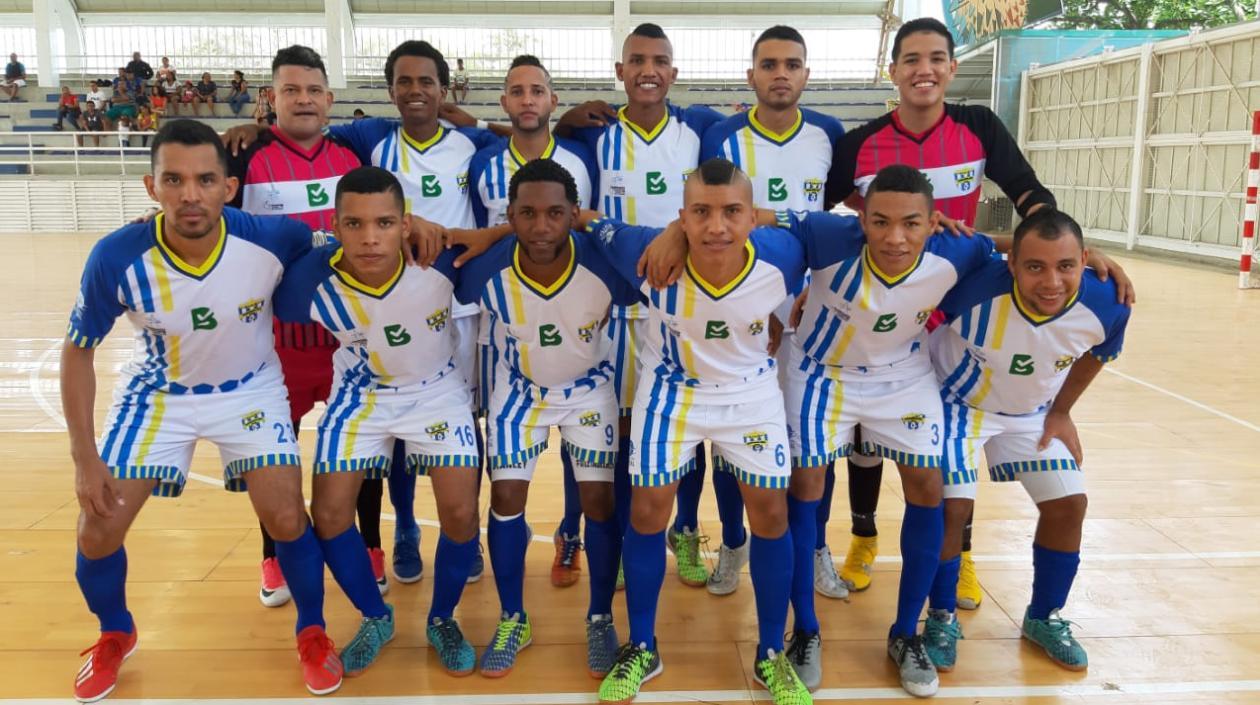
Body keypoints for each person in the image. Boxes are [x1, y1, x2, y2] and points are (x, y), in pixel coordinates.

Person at [63, 119, 343, 701]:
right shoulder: (116, 256)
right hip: (158, 394)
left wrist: (419, 226)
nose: (190, 195)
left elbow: (351, 243)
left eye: (205, 180)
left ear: (229, 188)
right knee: (98, 528)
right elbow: (78, 350)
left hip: (250, 389)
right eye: (174, 180)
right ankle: (115, 632)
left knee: (285, 516)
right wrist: (84, 457)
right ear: (151, 187)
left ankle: (313, 631)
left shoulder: (275, 237)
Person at [823, 17, 1063, 610]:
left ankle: (962, 554)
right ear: (893, 71)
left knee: (950, 446)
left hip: (957, 312)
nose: (923, 69)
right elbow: (823, 213)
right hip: (884, 310)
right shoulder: (859, 143)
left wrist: (1064, 249)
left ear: (952, 68)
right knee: (866, 435)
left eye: (935, 58)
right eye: (911, 59)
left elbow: (1031, 194)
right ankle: (863, 538)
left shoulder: (978, 127)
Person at [590, 158, 811, 705]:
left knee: (772, 514)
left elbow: (847, 234)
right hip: (671, 391)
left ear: (753, 217)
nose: (717, 227)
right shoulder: (645, 255)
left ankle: (770, 652)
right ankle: (643, 646)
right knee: (647, 511)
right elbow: (591, 222)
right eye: (700, 213)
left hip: (749, 391)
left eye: (732, 212)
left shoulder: (784, 254)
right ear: (682, 216)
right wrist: (663, 233)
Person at [222, 44, 397, 608]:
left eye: (314, 90)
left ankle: (369, 546)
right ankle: (274, 553)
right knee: (273, 453)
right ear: (270, 98)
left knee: (362, 447)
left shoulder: (352, 153)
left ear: (330, 98)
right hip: (276, 339)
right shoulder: (244, 157)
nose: (303, 100)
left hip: (349, 335)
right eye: (291, 90)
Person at [922, 209, 1130, 675]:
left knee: (1069, 504)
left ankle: (1044, 616)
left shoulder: (1108, 301)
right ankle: (941, 616)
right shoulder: (973, 286)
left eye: (1066, 266)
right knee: (953, 507)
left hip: (1030, 414)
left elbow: (1099, 354)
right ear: (1012, 263)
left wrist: (1061, 411)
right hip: (955, 404)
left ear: (1084, 261)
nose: (1052, 282)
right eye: (1035, 266)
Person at [557, 22, 724, 590]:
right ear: (620, 71)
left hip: (686, 304)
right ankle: (620, 538)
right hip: (617, 307)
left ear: (673, 72)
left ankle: (686, 528)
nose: (648, 70)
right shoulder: (593, 139)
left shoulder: (700, 131)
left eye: (659, 61)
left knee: (688, 426)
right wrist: (564, 120)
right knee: (616, 428)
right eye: (637, 60)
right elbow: (561, 184)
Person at [454, 159, 633, 678]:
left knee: (599, 502)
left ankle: (600, 617)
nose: (541, 226)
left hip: (589, 389)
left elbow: (657, 253)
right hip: (519, 389)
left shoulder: (605, 261)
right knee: (506, 498)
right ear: (509, 216)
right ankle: (513, 617)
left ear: (574, 214)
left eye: (555, 213)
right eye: (527, 213)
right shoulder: (483, 267)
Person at [696, 26, 845, 618]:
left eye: (792, 64)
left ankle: (817, 547)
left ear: (806, 74)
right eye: (769, 64)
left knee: (813, 441)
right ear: (751, 74)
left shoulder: (829, 134)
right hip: (742, 306)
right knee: (733, 433)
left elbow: (840, 221)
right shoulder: (722, 136)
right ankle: (734, 543)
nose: (780, 73)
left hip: (812, 306)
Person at [468, 54, 600, 588]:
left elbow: (582, 228)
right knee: (499, 430)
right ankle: (503, 528)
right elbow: (482, 233)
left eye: (537, 91)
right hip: (505, 317)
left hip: (575, 309)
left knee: (580, 435)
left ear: (552, 100)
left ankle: (571, 532)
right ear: (505, 101)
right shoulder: (482, 162)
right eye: (518, 91)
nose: (527, 100)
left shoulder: (579, 158)